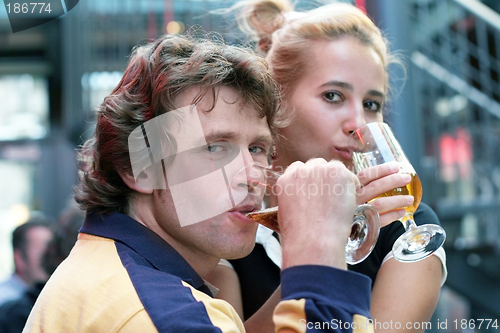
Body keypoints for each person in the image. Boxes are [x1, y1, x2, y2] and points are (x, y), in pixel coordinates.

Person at [23, 33, 376, 332]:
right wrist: (319, 255)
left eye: (257, 148)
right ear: (139, 168)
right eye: (215, 147)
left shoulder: (115, 269)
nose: (253, 175)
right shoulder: (159, 311)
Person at [209, 1, 448, 332]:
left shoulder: (408, 226)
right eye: (333, 96)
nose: (357, 121)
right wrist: (318, 242)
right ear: (276, 102)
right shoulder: (233, 219)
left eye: (371, 104)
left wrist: (338, 233)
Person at [0, 202, 83, 333]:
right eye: (43, 252)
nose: (48, 256)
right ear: (19, 259)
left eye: (50, 249)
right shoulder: (14, 313)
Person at [0, 218, 53, 307]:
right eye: (42, 255)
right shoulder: (6, 303)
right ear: (19, 259)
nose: (49, 261)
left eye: (52, 254)